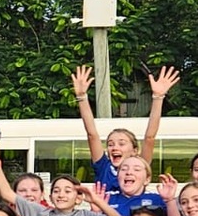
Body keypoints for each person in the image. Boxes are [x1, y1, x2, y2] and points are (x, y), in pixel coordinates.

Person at [74, 62, 178, 192]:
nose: (115, 147)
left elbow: (150, 137)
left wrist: (158, 97)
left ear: (135, 150)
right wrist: (81, 97)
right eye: (111, 144)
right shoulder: (104, 167)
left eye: (121, 143)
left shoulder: (139, 166)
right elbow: (92, 134)